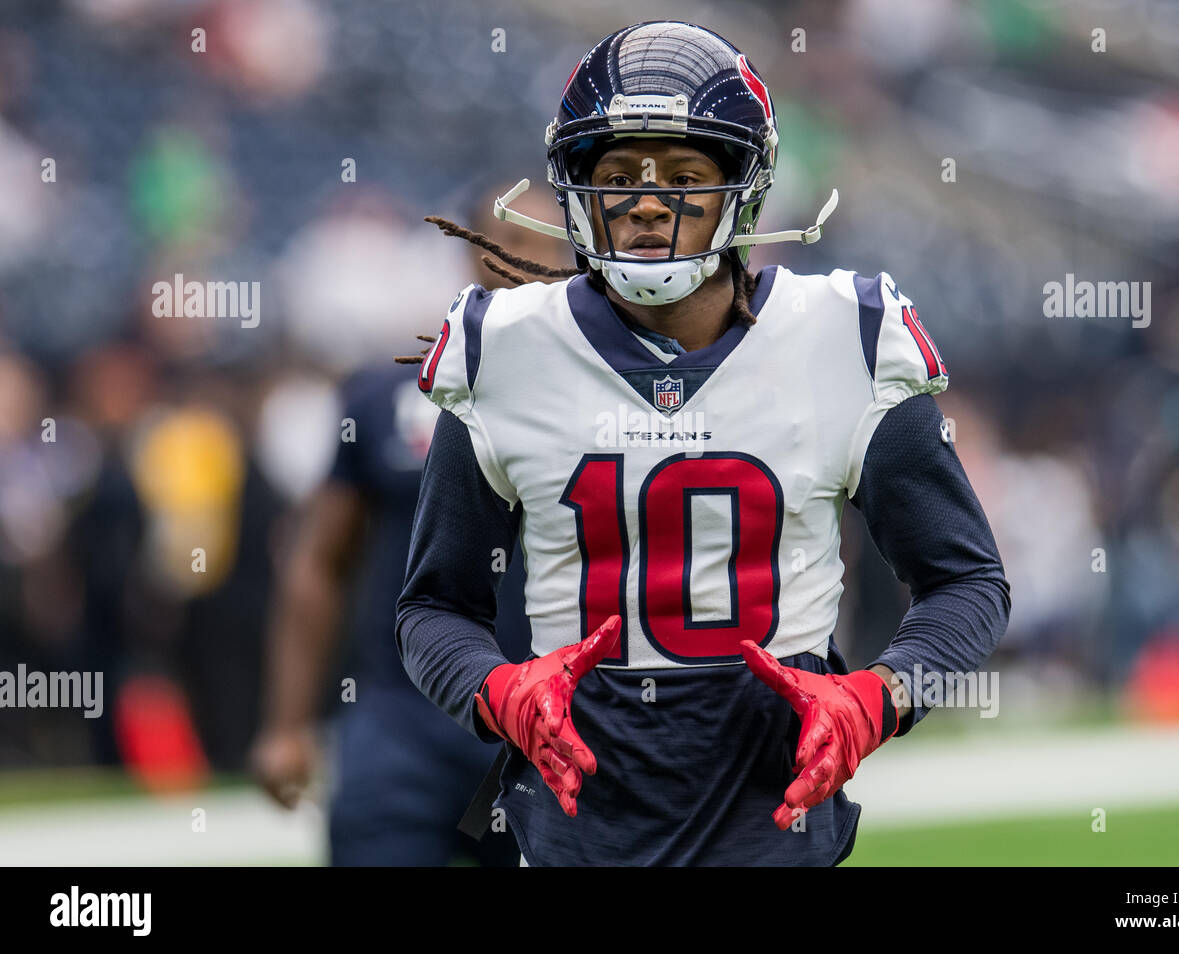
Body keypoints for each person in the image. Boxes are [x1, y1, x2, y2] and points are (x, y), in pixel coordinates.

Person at [395, 20, 1010, 866]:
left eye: (684, 175)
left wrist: (881, 695)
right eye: (617, 176)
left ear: (743, 192)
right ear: (577, 189)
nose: (647, 203)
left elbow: (967, 581)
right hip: (582, 834)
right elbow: (433, 610)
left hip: (776, 830)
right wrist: (500, 690)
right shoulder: (506, 348)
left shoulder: (843, 335)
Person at [250, 187, 567, 865]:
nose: (526, 261)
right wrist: (287, 724)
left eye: (548, 243)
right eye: (507, 242)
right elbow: (318, 562)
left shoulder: (618, 403)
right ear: (471, 256)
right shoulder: (390, 395)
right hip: (404, 719)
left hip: (556, 721)